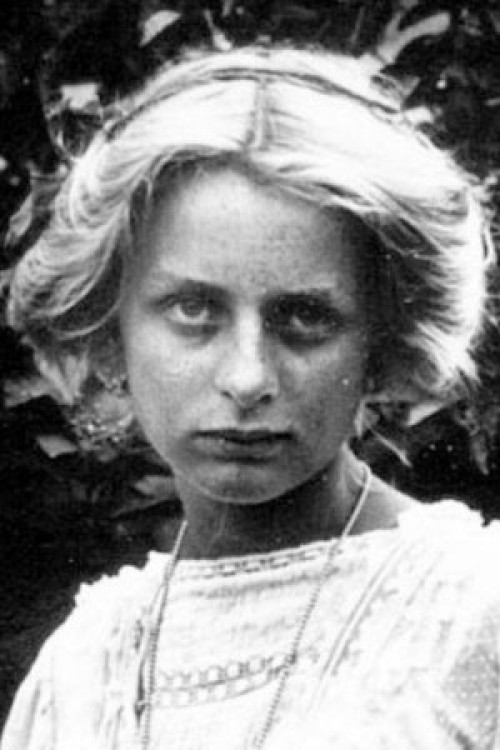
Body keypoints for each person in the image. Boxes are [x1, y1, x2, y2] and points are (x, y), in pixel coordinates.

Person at [1, 45, 498, 750]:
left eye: (305, 317)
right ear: (112, 325)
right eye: (193, 310)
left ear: (380, 339)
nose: (247, 377)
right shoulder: (81, 669)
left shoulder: (469, 612)